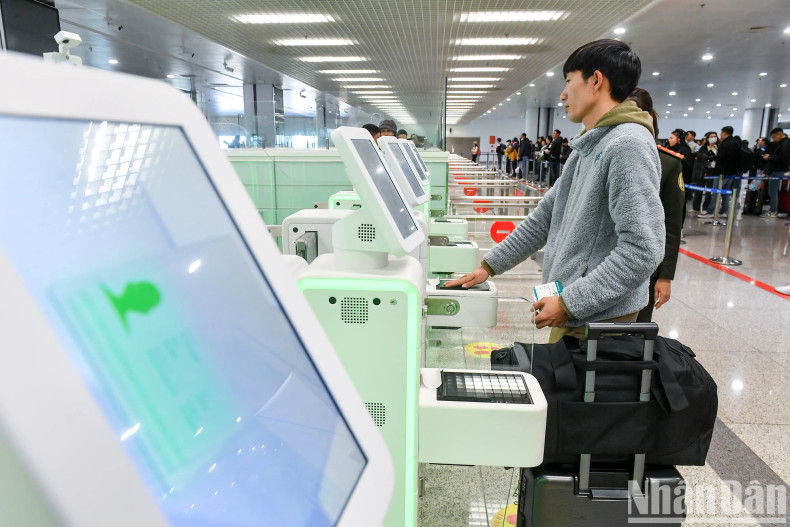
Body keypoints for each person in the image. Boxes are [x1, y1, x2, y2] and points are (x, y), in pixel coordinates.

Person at [445, 39, 664, 343]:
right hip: (576, 309)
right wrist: (488, 267)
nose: (562, 94)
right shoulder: (590, 144)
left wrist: (570, 302)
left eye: (569, 81)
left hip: (598, 321)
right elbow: (545, 217)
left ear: (596, 81)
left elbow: (643, 249)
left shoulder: (627, 145)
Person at [626, 88, 684, 322]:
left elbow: (672, 224)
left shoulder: (667, 164)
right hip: (599, 266)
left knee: (635, 333)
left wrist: (665, 276)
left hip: (643, 270)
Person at [700, 126, 739, 217]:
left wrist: (713, 157)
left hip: (722, 172)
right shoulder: (736, 143)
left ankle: (710, 211)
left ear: (724, 133)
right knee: (725, 193)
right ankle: (723, 211)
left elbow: (721, 157)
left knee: (716, 192)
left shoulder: (725, 144)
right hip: (731, 172)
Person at [760, 127, 790, 218]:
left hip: (777, 170)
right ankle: (773, 210)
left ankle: (773, 211)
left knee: (772, 191)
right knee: (772, 191)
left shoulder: (785, 144)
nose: (773, 139)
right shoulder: (783, 143)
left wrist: (770, 157)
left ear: (779, 135)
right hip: (776, 169)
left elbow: (784, 158)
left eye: (774, 137)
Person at [667, 128, 693, 228]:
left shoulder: (684, 150)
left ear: (678, 139)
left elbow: (687, 167)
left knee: (680, 206)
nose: (669, 140)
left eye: (672, 138)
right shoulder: (674, 149)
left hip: (682, 182)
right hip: (676, 182)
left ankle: (679, 228)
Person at [690, 131, 719, 215]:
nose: (713, 138)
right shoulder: (703, 148)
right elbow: (699, 156)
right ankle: (696, 207)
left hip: (712, 171)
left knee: (709, 191)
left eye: (714, 136)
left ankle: (706, 208)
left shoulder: (718, 148)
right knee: (698, 190)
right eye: (711, 136)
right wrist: (705, 157)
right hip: (702, 170)